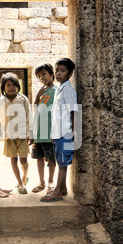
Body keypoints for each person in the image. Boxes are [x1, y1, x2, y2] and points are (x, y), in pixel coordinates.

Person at [41, 58, 78, 202]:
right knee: (60, 160)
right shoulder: (59, 89)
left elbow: (74, 111)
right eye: (57, 70)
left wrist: (74, 133)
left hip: (65, 133)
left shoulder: (68, 90)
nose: (58, 73)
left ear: (70, 74)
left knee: (62, 163)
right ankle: (62, 188)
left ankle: (57, 191)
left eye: (63, 71)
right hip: (58, 133)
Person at [0, 72, 31, 194]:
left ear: (18, 86)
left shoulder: (23, 99)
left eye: (14, 85)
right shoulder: (1, 101)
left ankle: (24, 177)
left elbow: (29, 116)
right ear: (3, 88)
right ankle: (20, 183)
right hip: (9, 136)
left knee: (23, 160)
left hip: (22, 135)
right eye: (8, 85)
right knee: (13, 159)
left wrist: (30, 133)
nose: (11, 88)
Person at [30, 63, 57, 194]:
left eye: (44, 74)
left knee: (51, 158)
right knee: (39, 157)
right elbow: (35, 110)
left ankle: (51, 182)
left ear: (51, 74)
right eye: (39, 77)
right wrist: (37, 96)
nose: (42, 78)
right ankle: (41, 182)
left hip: (50, 132)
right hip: (39, 132)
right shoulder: (41, 91)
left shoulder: (56, 91)